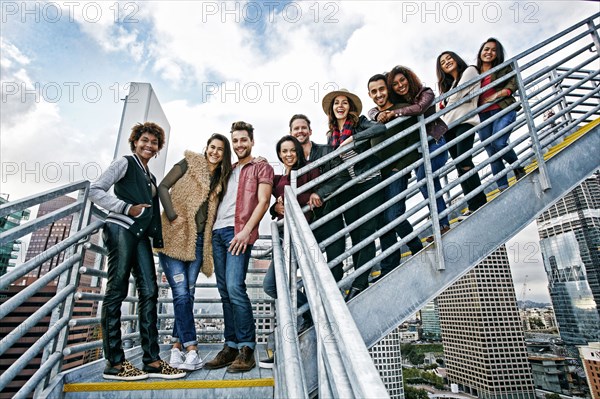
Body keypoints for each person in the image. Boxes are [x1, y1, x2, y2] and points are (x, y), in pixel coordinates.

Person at [89, 122, 186, 381]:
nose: (148, 145)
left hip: (141, 236)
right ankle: (115, 363)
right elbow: (95, 190)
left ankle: (152, 360)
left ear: (157, 148)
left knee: (150, 291)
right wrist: (125, 207)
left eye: (153, 143)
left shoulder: (150, 176)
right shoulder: (125, 162)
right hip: (121, 229)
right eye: (144, 140)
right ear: (135, 141)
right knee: (117, 290)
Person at [156, 134, 232, 371]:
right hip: (174, 236)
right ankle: (192, 349)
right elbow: (163, 187)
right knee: (180, 292)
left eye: (220, 149)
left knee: (187, 293)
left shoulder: (221, 178)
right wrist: (172, 216)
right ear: (206, 147)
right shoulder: (189, 163)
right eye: (212, 147)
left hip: (199, 242)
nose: (215, 152)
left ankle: (176, 348)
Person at [204, 121, 274, 373]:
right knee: (224, 291)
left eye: (243, 140)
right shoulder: (228, 169)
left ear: (252, 141)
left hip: (238, 233)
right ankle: (230, 345)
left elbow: (264, 201)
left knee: (235, 287)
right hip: (217, 233)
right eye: (235, 141)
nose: (239, 145)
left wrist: (246, 231)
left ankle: (246, 347)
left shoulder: (261, 167)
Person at [313, 89, 384, 301]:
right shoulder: (330, 135)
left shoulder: (360, 123)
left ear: (350, 107)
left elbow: (380, 127)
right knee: (354, 235)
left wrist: (352, 140)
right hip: (348, 188)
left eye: (344, 103)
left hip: (368, 182)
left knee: (366, 233)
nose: (340, 106)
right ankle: (357, 280)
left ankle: (359, 284)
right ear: (332, 110)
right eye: (336, 104)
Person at [364, 74, 423, 279]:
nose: (379, 94)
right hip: (379, 176)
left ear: (387, 89)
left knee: (393, 216)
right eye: (374, 91)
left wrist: (401, 168)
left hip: (397, 171)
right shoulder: (372, 119)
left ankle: (417, 247)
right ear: (369, 94)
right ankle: (389, 266)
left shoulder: (401, 111)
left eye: (382, 89)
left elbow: (414, 141)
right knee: (382, 221)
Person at [384, 65, 451, 241]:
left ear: (409, 78)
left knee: (424, 179)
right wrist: (378, 114)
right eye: (395, 84)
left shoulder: (425, 92)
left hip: (435, 142)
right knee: (428, 182)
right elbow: (375, 110)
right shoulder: (397, 103)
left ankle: (442, 223)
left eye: (402, 80)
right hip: (419, 151)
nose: (400, 85)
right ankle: (442, 224)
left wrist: (395, 113)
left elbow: (420, 108)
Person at [288, 114, 347, 282]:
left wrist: (320, 193)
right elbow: (282, 186)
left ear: (310, 131)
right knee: (310, 268)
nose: (300, 131)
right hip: (307, 222)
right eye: (296, 128)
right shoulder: (291, 160)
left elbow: (342, 176)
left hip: (331, 215)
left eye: (303, 127)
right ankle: (312, 307)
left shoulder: (326, 151)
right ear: (291, 133)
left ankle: (336, 305)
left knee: (335, 265)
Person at [436, 51, 488, 215]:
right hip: (448, 128)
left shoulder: (470, 71)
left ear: (456, 58)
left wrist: (446, 104)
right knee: (459, 166)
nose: (447, 62)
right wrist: (445, 105)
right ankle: (472, 202)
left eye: (449, 58)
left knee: (465, 161)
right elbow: (439, 108)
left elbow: (456, 96)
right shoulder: (448, 86)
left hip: (465, 122)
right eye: (443, 62)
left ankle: (478, 202)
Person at [476, 38, 526, 191]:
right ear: (481, 52)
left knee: (498, 143)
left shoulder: (504, 67)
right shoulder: (473, 72)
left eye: (493, 50)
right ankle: (502, 187)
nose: (489, 52)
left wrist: (499, 94)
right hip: (482, 116)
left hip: (503, 109)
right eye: (486, 49)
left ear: (497, 54)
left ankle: (517, 168)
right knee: (492, 152)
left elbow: (513, 82)